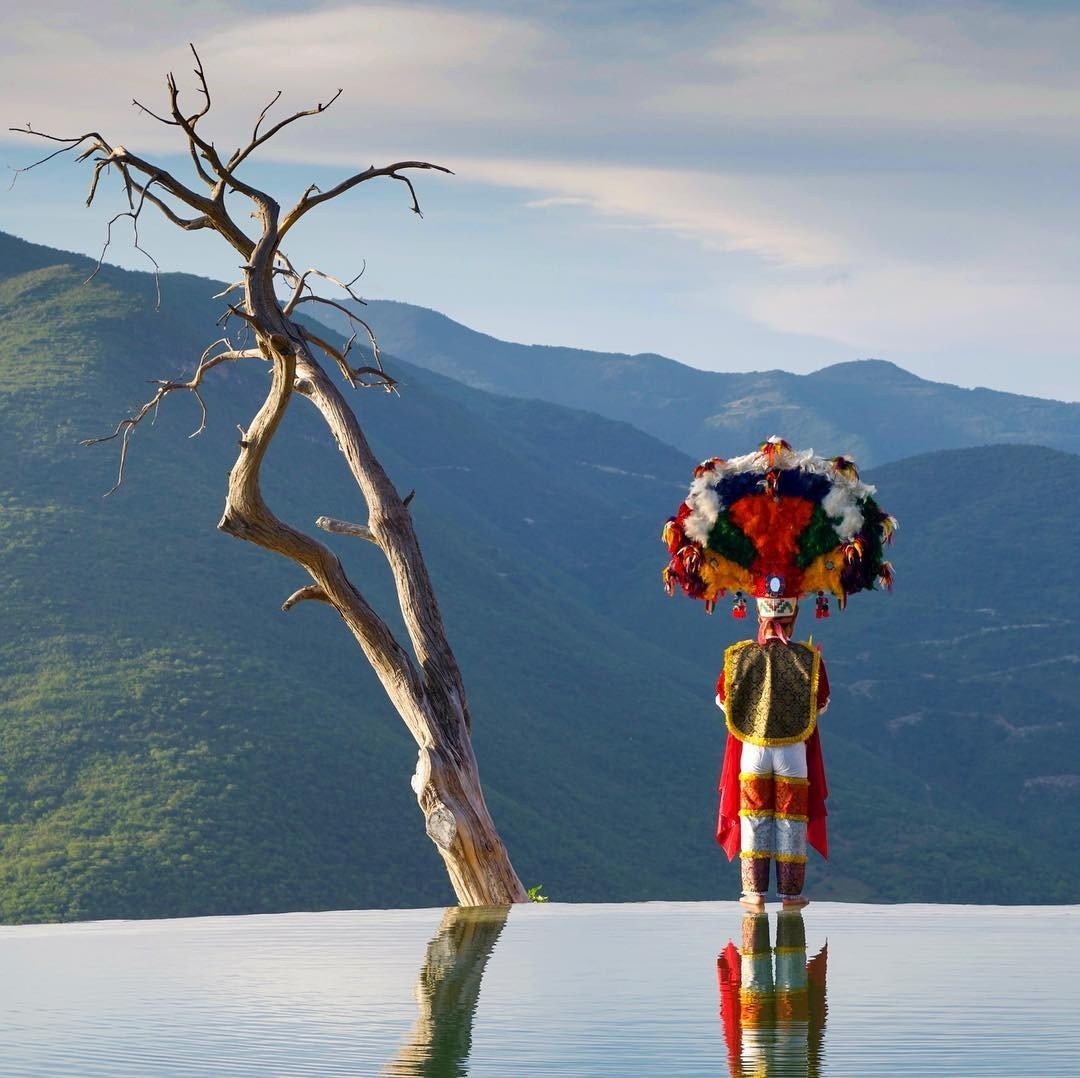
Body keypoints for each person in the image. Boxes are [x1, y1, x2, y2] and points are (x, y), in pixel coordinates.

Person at [715, 597, 830, 911]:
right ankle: (791, 895)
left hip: (752, 748)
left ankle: (754, 893)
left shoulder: (738, 657)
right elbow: (820, 703)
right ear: (792, 617)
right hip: (792, 750)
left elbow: (723, 701)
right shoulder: (808, 658)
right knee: (791, 819)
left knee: (754, 818)